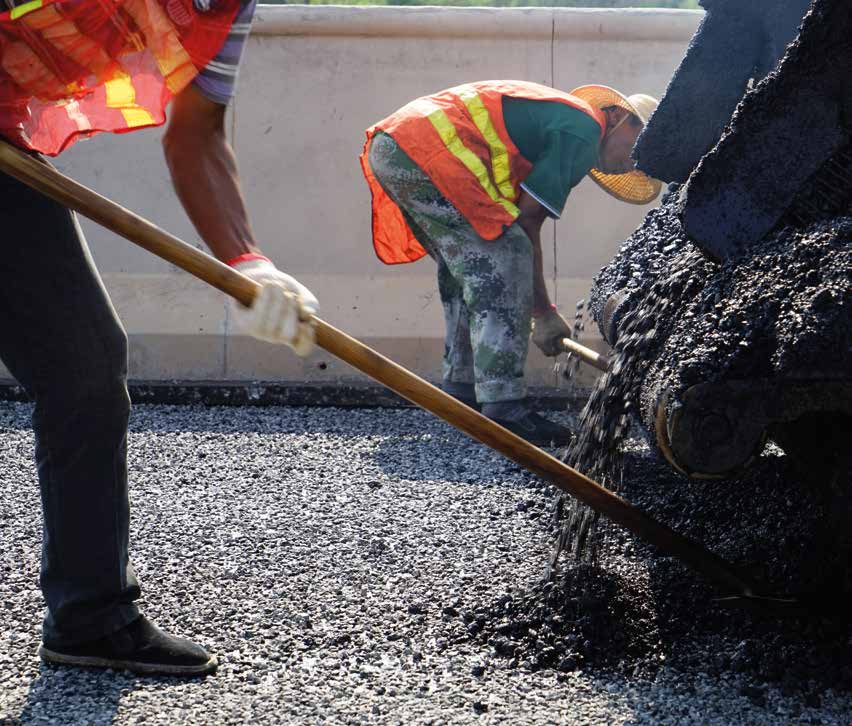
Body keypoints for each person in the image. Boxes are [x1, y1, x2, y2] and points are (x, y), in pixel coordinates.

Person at [0, 0, 317, 675]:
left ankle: (90, 616)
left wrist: (250, 263)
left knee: (83, 365)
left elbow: (197, 133)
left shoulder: (226, 10)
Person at [361, 80, 661, 446]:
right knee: (507, 251)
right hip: (425, 148)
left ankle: (461, 391)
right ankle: (505, 409)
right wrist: (544, 313)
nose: (631, 165)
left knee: (471, 267)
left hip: (396, 147)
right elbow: (527, 222)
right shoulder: (584, 129)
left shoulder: (567, 121)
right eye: (637, 150)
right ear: (618, 116)